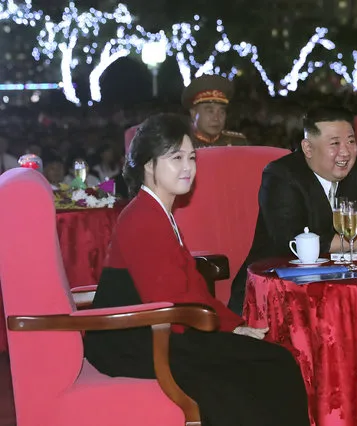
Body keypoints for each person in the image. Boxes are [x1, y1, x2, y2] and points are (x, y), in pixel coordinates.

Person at [83, 113, 310, 426]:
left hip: (161, 328)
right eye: (176, 158)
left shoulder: (158, 212)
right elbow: (169, 301)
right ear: (149, 165)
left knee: (272, 361)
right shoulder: (143, 219)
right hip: (136, 342)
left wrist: (234, 327)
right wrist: (221, 335)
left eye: (191, 157)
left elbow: (190, 287)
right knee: (266, 368)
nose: (188, 167)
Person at [228, 106, 357, 315]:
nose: (345, 152)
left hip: (346, 288)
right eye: (334, 144)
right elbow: (289, 238)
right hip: (278, 290)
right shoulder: (282, 175)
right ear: (308, 148)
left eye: (351, 141)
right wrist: (353, 241)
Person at [181, 74, 248, 147]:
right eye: (210, 111)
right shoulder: (181, 144)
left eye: (221, 112)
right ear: (193, 114)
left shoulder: (237, 144)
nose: (216, 118)